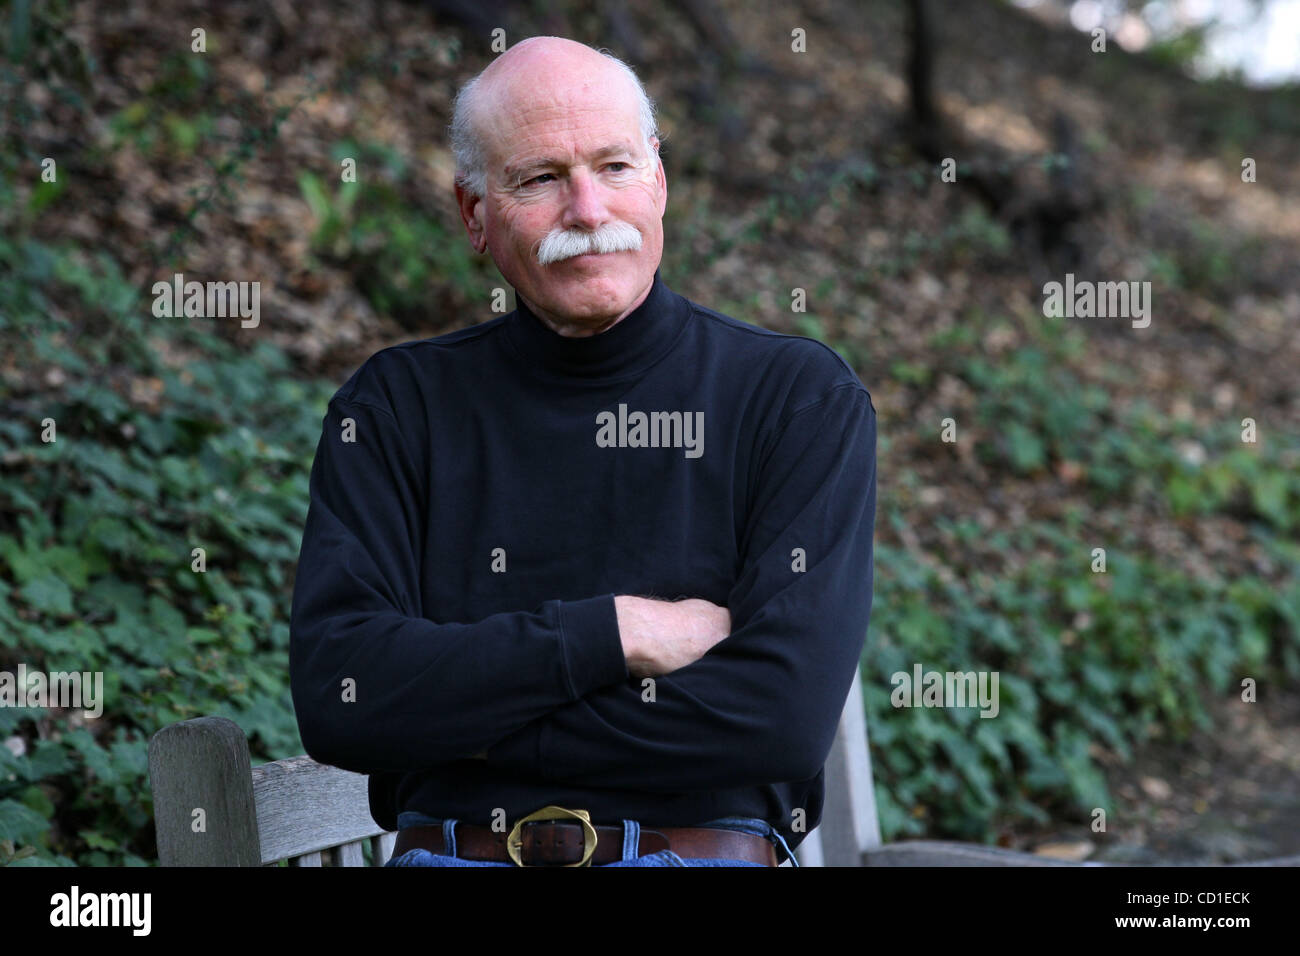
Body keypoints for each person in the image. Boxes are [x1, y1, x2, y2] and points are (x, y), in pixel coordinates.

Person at [288, 35, 878, 867]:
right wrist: (612, 633)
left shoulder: (794, 400)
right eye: (539, 178)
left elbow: (777, 721)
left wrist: (465, 724)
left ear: (660, 181)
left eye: (615, 167)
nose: (589, 212)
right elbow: (343, 697)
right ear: (474, 214)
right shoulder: (394, 409)